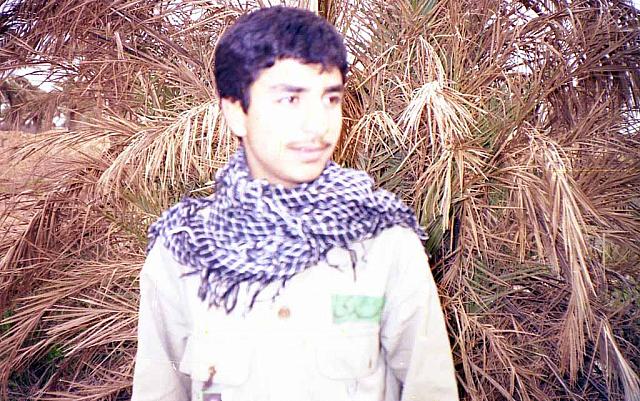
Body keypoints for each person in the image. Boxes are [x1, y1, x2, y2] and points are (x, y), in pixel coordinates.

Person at [131, 6, 458, 401]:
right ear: (236, 112)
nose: (318, 125)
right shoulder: (184, 253)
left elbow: (430, 388)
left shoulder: (383, 242)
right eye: (290, 99)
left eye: (330, 99)